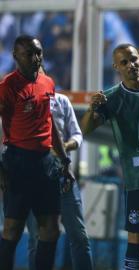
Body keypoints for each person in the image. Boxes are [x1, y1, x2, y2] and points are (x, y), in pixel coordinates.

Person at [0, 35, 73, 270]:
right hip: (17, 162)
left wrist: (64, 161)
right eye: (29, 53)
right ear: (16, 56)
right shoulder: (7, 86)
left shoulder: (48, 83)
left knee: (51, 229)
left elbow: (49, 123)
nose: (36, 57)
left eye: (39, 52)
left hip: (45, 162)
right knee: (12, 229)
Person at [81, 43, 139, 270]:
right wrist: (92, 109)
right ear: (116, 67)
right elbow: (86, 129)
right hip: (136, 179)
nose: (131, 65)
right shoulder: (111, 98)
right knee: (136, 237)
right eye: (124, 62)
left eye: (133, 59)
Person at [26, 91, 93, 270]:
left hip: (63, 177)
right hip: (35, 178)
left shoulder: (61, 100)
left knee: (79, 236)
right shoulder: (21, 102)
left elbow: (77, 134)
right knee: (36, 238)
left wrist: (65, 146)